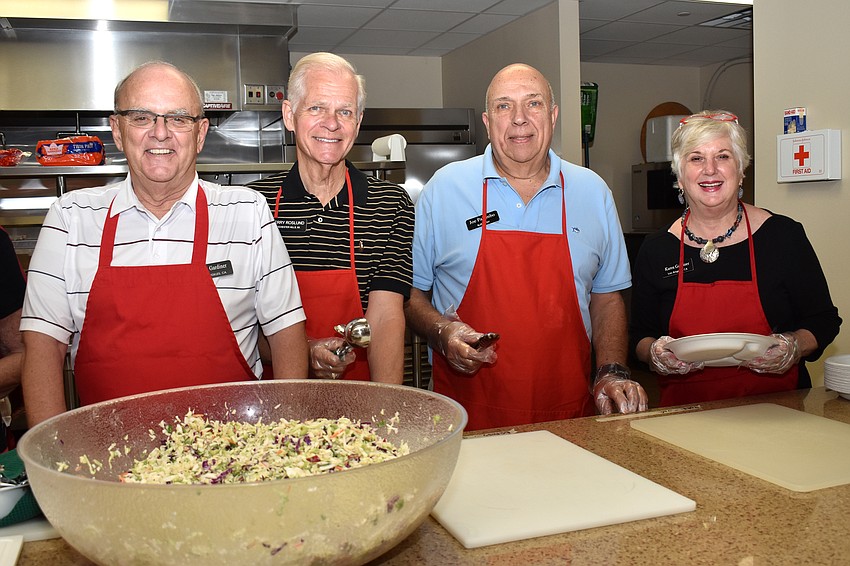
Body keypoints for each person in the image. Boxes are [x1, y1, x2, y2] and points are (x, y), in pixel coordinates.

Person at [20, 61, 309, 426]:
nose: (160, 133)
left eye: (178, 118)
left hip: (236, 459)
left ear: (200, 133)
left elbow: (286, 334)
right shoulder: (69, 218)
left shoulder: (247, 212)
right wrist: (53, 458)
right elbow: (43, 347)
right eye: (141, 117)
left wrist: (286, 435)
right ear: (117, 131)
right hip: (108, 460)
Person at [405, 63, 648, 431]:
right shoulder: (445, 188)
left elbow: (607, 297)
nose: (519, 119)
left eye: (532, 104)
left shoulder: (592, 191)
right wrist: (443, 333)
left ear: (552, 115)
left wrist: (611, 371)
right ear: (488, 121)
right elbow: (411, 295)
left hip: (570, 416)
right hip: (468, 418)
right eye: (504, 106)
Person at [630, 110, 841, 406]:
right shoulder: (656, 249)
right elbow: (639, 336)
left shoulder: (782, 236)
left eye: (723, 156)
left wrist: (794, 346)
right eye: (696, 158)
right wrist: (653, 353)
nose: (710, 170)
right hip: (685, 417)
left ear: (741, 169)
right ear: (679, 176)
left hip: (777, 412)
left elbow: (823, 320)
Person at [248, 53, 414, 383]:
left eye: (345, 111)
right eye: (316, 108)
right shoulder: (253, 205)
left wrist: (385, 416)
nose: (332, 123)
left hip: (361, 395)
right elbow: (246, 325)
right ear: (289, 115)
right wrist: (304, 351)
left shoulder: (390, 204)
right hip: (277, 403)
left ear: (358, 121)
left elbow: (383, 318)